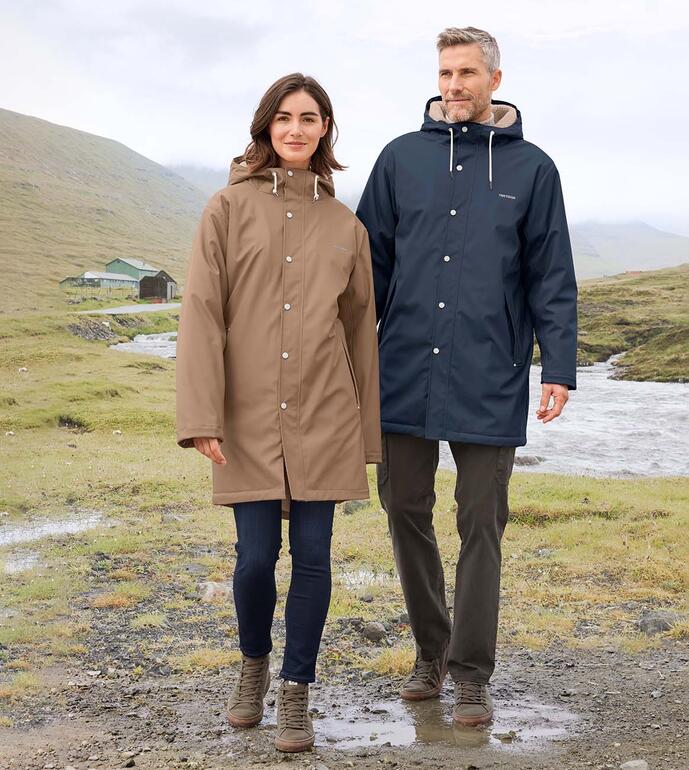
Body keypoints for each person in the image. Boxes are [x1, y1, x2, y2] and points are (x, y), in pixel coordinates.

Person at [356, 27, 578, 727]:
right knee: (403, 509)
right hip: (403, 373)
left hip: (492, 373)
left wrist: (559, 367)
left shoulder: (534, 171)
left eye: (466, 73)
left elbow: (552, 275)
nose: (453, 85)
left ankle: (472, 674)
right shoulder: (399, 160)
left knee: (481, 521)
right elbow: (367, 271)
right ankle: (431, 650)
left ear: (495, 78)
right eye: (445, 72)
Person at [175, 73, 381, 753]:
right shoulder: (225, 209)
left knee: (315, 557)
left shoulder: (345, 226)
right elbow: (202, 313)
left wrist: (367, 435)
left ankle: (297, 692)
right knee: (256, 558)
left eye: (311, 118)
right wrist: (202, 413)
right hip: (248, 415)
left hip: (326, 415)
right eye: (285, 118)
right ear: (266, 126)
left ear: (326, 130)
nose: (297, 129)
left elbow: (360, 334)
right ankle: (253, 666)